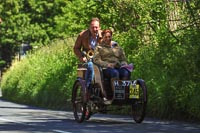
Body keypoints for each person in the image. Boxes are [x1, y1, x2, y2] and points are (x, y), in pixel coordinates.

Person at [93, 29, 131, 99]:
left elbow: (123, 59)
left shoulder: (117, 47)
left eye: (109, 37)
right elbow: (96, 60)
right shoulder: (99, 48)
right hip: (106, 69)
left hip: (118, 67)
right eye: (106, 37)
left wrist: (124, 63)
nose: (108, 39)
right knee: (115, 73)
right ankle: (116, 95)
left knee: (126, 72)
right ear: (103, 38)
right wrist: (107, 64)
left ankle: (125, 94)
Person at [73, 18, 102, 89]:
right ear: (89, 28)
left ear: (99, 27)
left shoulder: (104, 35)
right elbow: (76, 48)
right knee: (91, 66)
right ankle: (88, 88)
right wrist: (81, 57)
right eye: (92, 27)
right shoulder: (82, 35)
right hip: (88, 59)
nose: (94, 29)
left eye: (96, 27)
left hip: (100, 60)